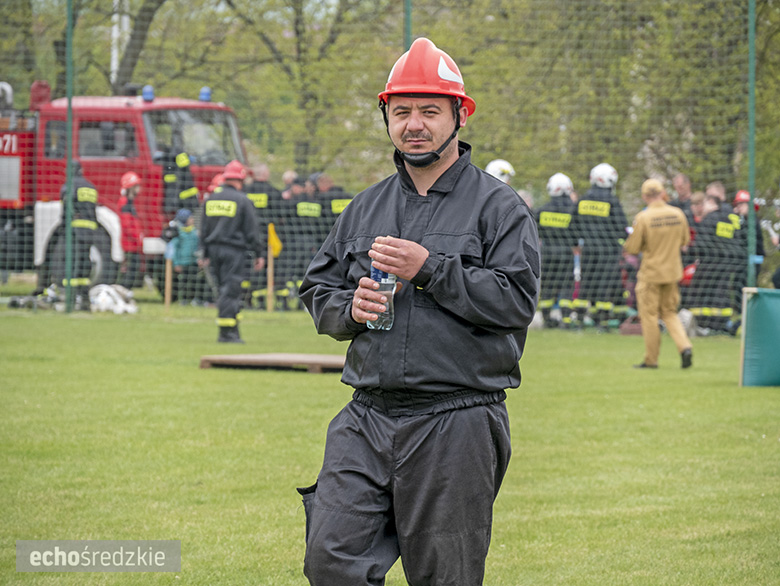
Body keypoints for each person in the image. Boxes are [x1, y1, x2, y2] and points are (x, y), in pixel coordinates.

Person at [297, 37, 540, 586]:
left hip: (457, 418)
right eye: (402, 111)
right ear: (386, 116)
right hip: (366, 417)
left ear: (459, 116)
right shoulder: (365, 206)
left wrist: (431, 268)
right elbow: (318, 289)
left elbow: (515, 301)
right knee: (330, 560)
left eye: (430, 111)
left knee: (445, 575)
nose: (414, 125)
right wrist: (350, 308)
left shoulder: (499, 208)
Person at [623, 179, 693, 369]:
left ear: (645, 196)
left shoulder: (643, 217)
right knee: (670, 313)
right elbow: (685, 240)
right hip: (672, 272)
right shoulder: (678, 214)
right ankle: (685, 347)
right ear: (663, 194)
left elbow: (632, 247)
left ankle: (651, 359)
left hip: (651, 274)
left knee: (649, 316)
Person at [199, 160, 265, 343]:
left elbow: (203, 229)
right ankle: (227, 333)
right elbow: (252, 231)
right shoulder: (242, 200)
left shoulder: (211, 199)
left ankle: (230, 329)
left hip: (213, 251)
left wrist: (203, 252)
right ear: (240, 180)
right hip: (233, 251)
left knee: (223, 290)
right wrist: (259, 254)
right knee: (231, 290)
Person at [569, 162, 629, 331]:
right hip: (608, 251)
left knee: (586, 283)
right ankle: (602, 322)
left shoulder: (583, 200)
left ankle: (579, 320)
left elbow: (573, 225)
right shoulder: (612, 201)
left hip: (588, 250)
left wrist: (576, 244)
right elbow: (622, 226)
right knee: (604, 285)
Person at [536, 172, 576, 327]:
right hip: (566, 253)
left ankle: (547, 319)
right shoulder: (573, 211)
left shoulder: (542, 210)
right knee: (566, 285)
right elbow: (577, 234)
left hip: (547, 253)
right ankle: (566, 319)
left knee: (547, 285)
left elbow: (535, 231)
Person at [59, 160, 98, 309]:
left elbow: (66, 208)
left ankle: (70, 300)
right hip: (89, 232)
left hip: (74, 232)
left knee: (70, 264)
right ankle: (85, 300)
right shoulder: (90, 186)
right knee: (84, 264)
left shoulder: (69, 185)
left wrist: (63, 227)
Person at [118, 171, 144, 289]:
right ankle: (123, 291)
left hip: (133, 244)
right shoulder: (125, 202)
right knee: (129, 273)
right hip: (129, 244)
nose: (139, 188)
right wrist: (136, 237)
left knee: (133, 271)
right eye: (136, 186)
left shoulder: (129, 203)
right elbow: (127, 224)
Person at [170, 208, 202, 304]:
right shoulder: (179, 233)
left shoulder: (195, 232)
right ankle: (183, 299)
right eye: (190, 218)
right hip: (183, 262)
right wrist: (176, 263)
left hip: (193, 261)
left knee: (194, 281)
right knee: (183, 281)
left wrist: (199, 259)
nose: (193, 220)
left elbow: (198, 246)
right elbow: (175, 250)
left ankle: (195, 298)